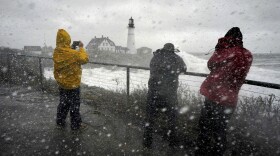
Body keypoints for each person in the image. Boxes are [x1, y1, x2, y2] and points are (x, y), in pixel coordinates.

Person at [195, 27, 253, 156]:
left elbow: (211, 65)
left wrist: (219, 47)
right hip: (231, 99)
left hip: (214, 95)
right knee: (221, 130)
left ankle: (201, 151)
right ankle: (218, 152)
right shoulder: (247, 54)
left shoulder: (225, 51)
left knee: (204, 126)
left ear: (228, 37)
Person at [143, 43, 187, 149]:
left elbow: (153, 68)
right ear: (172, 49)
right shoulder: (176, 58)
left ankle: (147, 142)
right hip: (169, 94)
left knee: (150, 118)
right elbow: (184, 69)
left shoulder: (155, 57)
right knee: (172, 119)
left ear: (163, 48)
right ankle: (172, 142)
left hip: (153, 92)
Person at [53, 29, 89, 130]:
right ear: (68, 40)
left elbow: (67, 55)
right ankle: (75, 125)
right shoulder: (73, 54)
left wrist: (72, 48)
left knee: (63, 103)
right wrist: (81, 48)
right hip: (73, 85)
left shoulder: (56, 52)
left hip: (62, 84)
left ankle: (60, 121)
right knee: (74, 106)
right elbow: (84, 59)